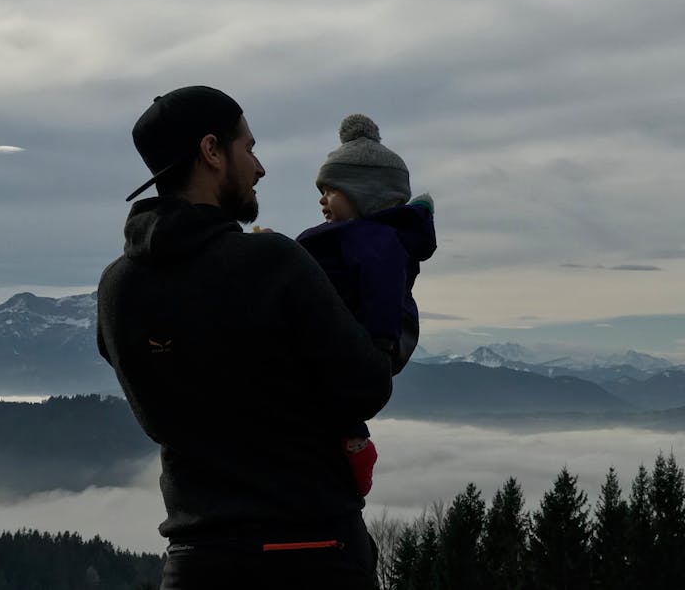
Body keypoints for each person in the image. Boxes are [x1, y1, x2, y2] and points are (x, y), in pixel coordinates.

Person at [97, 86, 391, 589]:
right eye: (249, 148)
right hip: (311, 553)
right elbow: (368, 384)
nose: (259, 167)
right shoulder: (272, 262)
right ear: (211, 152)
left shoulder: (117, 289)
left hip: (194, 563)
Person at [295, 113, 437, 498]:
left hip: (360, 341)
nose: (322, 200)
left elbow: (382, 292)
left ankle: (357, 448)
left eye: (331, 191)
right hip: (342, 339)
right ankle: (352, 444)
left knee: (337, 402)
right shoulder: (352, 238)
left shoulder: (375, 241)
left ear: (363, 193)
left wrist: (380, 341)